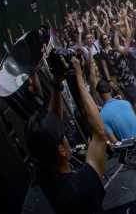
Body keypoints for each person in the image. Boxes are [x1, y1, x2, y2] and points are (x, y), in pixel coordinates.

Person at [24, 57, 106, 214]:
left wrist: (57, 82)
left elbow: (51, 127)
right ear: (61, 150)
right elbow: (100, 134)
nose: (66, 138)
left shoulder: (43, 177)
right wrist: (79, 78)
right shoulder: (82, 184)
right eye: (64, 136)